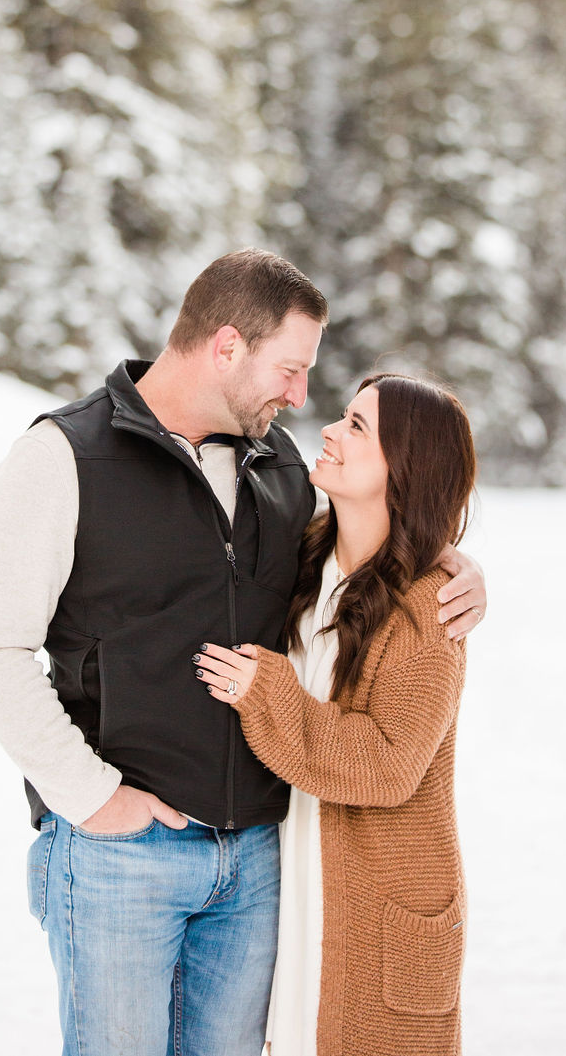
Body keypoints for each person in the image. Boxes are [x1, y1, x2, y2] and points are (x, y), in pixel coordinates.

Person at [0, 251, 487, 1056]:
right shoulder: (65, 456)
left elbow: (377, 543)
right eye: (291, 369)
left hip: (257, 867)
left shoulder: (279, 469)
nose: (300, 396)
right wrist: (92, 797)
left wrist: (453, 562)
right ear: (228, 347)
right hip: (122, 856)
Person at [195, 372, 477, 1056]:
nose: (329, 429)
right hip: (299, 892)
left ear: (405, 467)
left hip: (378, 920)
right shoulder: (307, 558)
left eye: (357, 426)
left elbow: (388, 763)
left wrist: (270, 695)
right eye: (344, 416)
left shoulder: (428, 606)